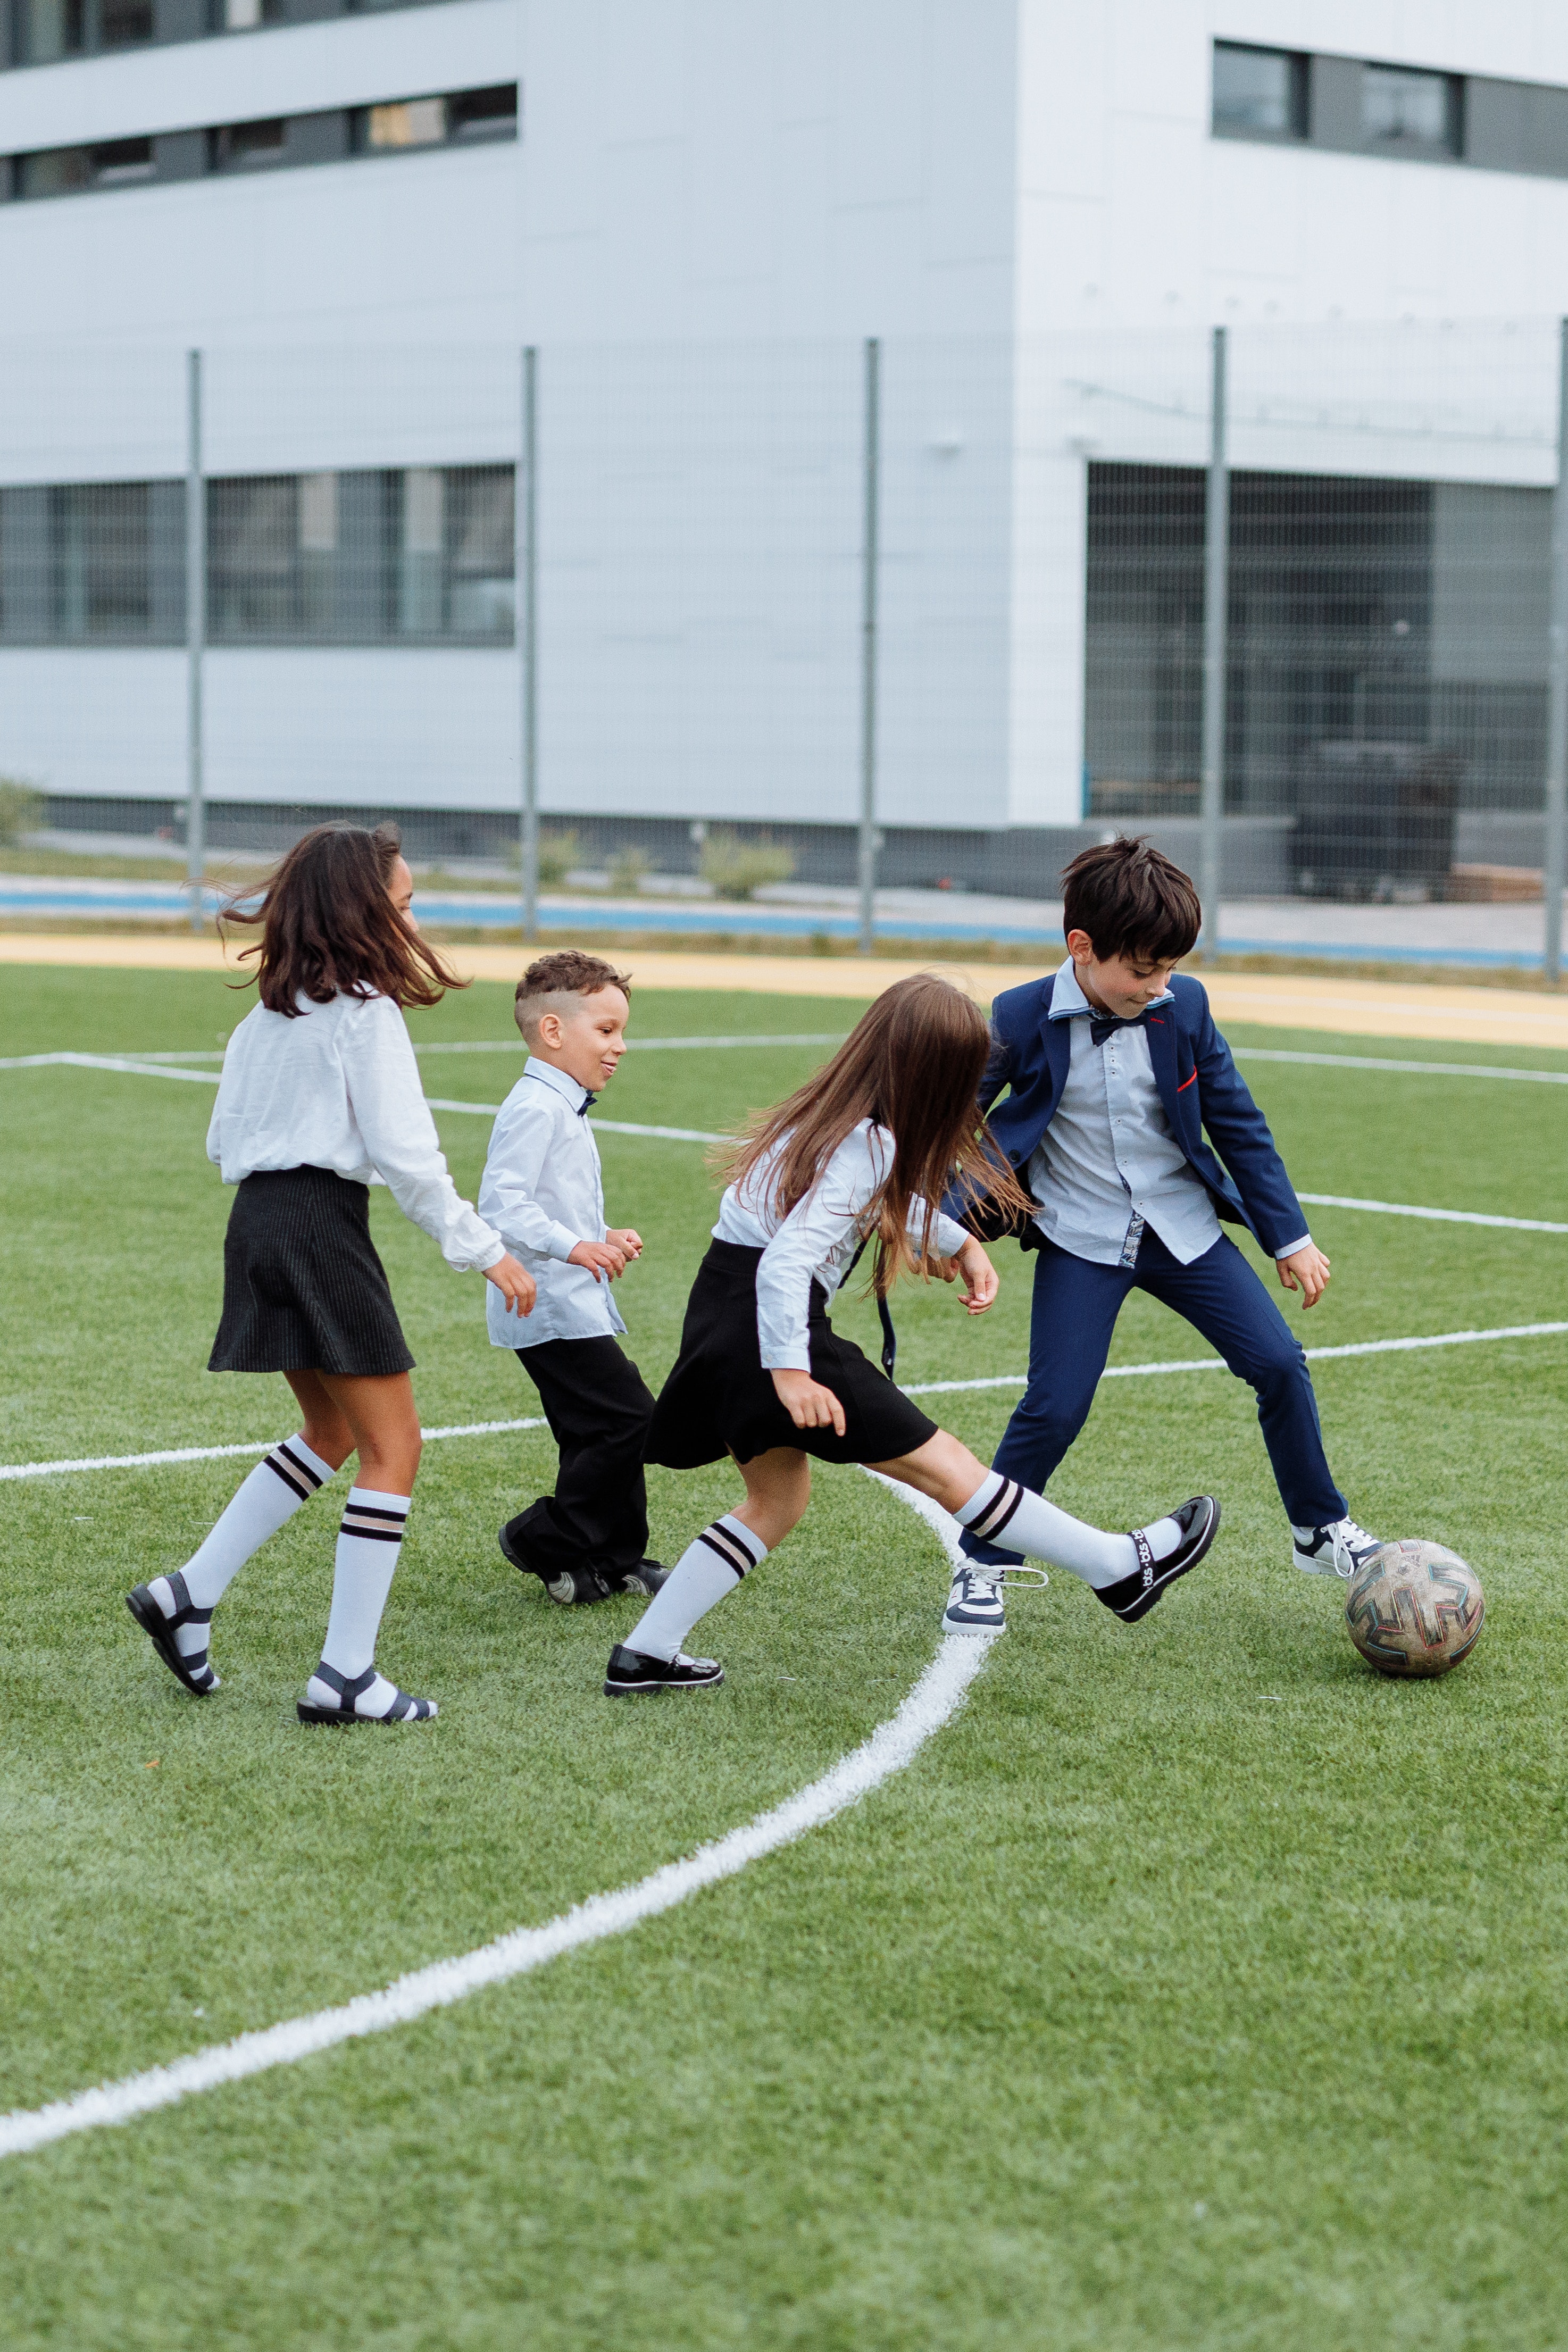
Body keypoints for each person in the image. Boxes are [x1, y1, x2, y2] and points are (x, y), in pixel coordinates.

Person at [603, 971, 1218, 1696]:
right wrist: (792, 1372)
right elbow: (787, 1263)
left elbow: (869, 1207)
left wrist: (959, 1241)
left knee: (776, 1503)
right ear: (932, 1078)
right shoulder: (867, 1143)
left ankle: (647, 1651)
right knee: (949, 1466)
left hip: (721, 1319)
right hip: (773, 1326)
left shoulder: (834, 1121)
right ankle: (1118, 1567)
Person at [125, 822, 535, 1724]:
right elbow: (409, 1156)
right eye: (405, 900)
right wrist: (486, 1249)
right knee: (396, 1446)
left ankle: (188, 1593)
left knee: (331, 1430)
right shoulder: (364, 1013)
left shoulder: (262, 1018)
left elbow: (220, 1142)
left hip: (256, 1225)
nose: (413, 915)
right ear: (365, 909)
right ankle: (345, 1675)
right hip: (319, 1225)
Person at [945, 834, 1378, 1636]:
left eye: (1171, 969)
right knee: (1055, 1404)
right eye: (1144, 971)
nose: (1159, 987)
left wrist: (1289, 1237)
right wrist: (940, 1227)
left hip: (1179, 1228)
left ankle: (1318, 1529)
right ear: (1082, 947)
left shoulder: (1186, 1007)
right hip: (1079, 1234)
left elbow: (1238, 1122)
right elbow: (953, 1123)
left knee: (1280, 1363)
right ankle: (983, 1559)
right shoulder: (1019, 1014)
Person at [480, 949, 668, 1607]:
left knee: (592, 1432)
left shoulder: (565, 1103)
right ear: (554, 1032)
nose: (620, 1046)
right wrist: (573, 1247)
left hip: (568, 1299)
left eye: (621, 1031)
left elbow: (552, 1201)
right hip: (547, 1307)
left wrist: (602, 1235)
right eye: (607, 1031)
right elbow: (502, 1204)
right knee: (631, 1420)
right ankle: (543, 1538)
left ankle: (608, 1560)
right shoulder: (537, 1107)